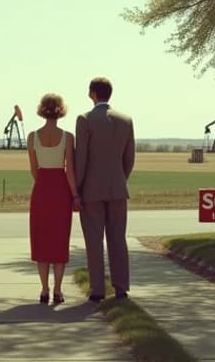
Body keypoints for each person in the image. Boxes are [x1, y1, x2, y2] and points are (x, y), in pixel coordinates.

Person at [74, 77, 135, 302]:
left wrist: (77, 189)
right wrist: (120, 179)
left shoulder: (85, 120)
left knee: (94, 241)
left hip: (91, 190)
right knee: (118, 239)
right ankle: (121, 287)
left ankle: (98, 289)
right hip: (118, 187)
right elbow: (129, 158)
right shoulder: (126, 120)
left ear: (93, 93)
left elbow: (81, 158)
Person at [27, 93, 80, 305]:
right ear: (61, 111)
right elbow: (70, 171)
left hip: (41, 189)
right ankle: (58, 289)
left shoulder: (32, 137)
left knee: (41, 240)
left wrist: (43, 183)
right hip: (61, 190)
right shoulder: (68, 137)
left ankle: (44, 289)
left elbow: (33, 169)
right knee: (59, 241)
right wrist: (75, 194)